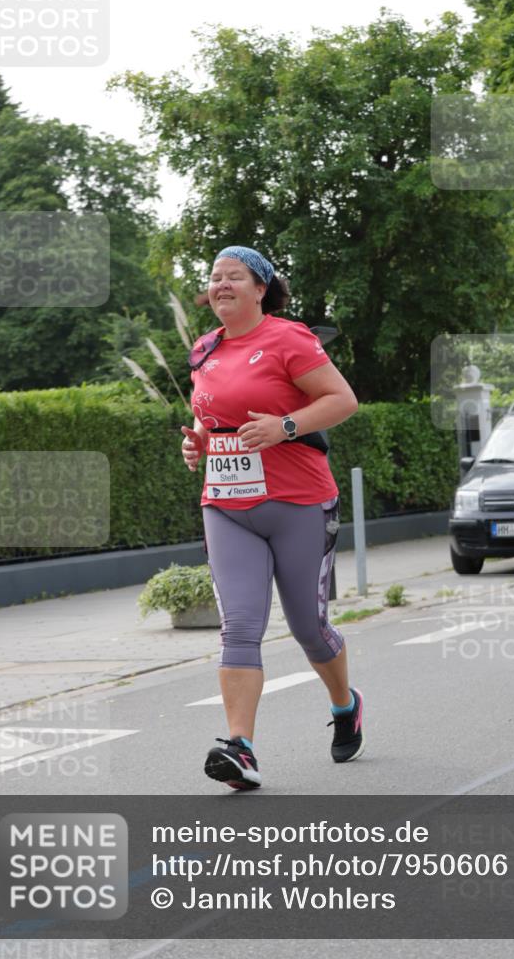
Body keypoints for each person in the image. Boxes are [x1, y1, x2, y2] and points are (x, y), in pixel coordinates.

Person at [180, 245, 362, 791]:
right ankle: (240, 749)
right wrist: (199, 443)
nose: (221, 284)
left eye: (234, 276)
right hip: (226, 505)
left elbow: (342, 400)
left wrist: (284, 427)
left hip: (298, 502)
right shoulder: (204, 349)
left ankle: (345, 704)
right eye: (215, 276)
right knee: (239, 625)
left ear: (261, 288)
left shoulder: (288, 338)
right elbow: (210, 413)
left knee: (309, 627)